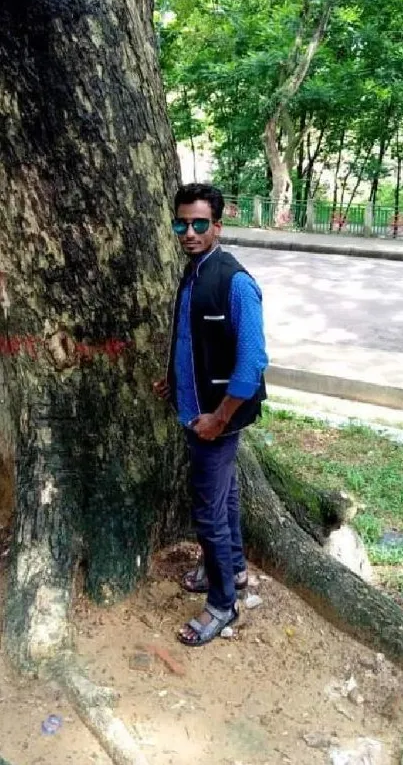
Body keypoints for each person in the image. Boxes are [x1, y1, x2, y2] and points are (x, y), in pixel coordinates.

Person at [153, 183, 268, 646]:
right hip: (195, 408)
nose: (189, 232)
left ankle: (222, 605)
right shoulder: (193, 272)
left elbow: (252, 360)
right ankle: (234, 569)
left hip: (214, 421)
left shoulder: (234, 282)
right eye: (182, 223)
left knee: (209, 512)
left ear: (217, 226)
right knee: (225, 497)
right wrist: (173, 382)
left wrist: (218, 418)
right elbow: (190, 341)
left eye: (200, 223)